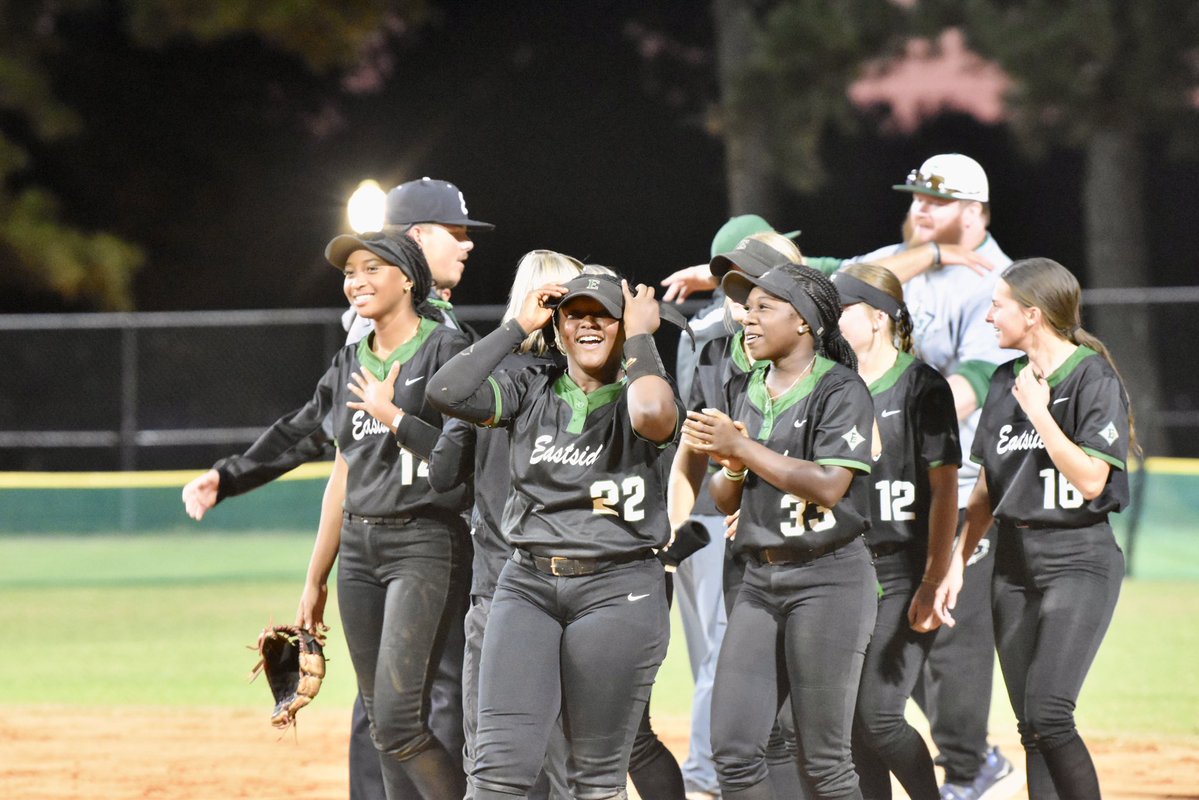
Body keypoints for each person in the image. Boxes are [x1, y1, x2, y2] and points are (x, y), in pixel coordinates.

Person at [184, 175, 492, 800]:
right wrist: (236, 478)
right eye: (455, 233)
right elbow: (323, 443)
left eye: (368, 268)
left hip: (433, 541)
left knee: (416, 708)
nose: (467, 246)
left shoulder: (451, 342)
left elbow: (475, 452)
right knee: (393, 714)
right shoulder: (361, 351)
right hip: (366, 544)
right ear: (416, 243)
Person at [426, 271, 685, 800]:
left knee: (594, 782)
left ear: (625, 323)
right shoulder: (532, 384)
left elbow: (655, 415)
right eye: (575, 314)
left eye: (603, 314)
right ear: (559, 326)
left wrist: (641, 335)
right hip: (526, 586)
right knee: (496, 775)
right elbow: (446, 391)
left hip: (619, 589)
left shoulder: (642, 391)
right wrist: (516, 325)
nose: (588, 323)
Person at [853, 154, 1019, 799]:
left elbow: (978, 380)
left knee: (950, 634)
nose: (922, 207)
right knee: (889, 633)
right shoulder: (896, 258)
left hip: (963, 476)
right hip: (879, 485)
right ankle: (968, 760)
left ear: (976, 213)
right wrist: (928, 256)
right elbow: (839, 287)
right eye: (917, 196)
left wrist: (897, 416)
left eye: (939, 201)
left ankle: (971, 768)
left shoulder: (999, 283)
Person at [684, 262, 877, 800]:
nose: (749, 317)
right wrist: (732, 464)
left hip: (830, 580)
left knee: (824, 761)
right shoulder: (745, 386)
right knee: (735, 751)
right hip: (759, 582)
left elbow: (829, 485)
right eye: (748, 307)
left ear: (806, 323)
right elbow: (727, 496)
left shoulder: (841, 389)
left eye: (765, 307)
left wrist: (742, 446)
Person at [943, 257, 1130, 799]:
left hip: (1078, 559)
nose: (988, 318)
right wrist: (957, 559)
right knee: (1031, 728)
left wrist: (1042, 413)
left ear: (1032, 315)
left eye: (997, 306)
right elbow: (985, 490)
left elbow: (1094, 479)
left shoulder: (1092, 377)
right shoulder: (1005, 381)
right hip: (1012, 563)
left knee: (1050, 713)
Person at [668, 230, 803, 800]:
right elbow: (688, 450)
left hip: (804, 547)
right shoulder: (714, 349)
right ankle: (705, 779)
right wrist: (671, 535)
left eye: (756, 289)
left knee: (789, 708)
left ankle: (707, 778)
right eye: (737, 286)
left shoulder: (829, 370)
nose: (746, 305)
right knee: (724, 667)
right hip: (715, 529)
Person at [831, 263, 960, 800]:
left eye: (844, 308)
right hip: (843, 570)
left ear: (878, 318)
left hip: (901, 569)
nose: (830, 319)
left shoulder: (921, 384)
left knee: (879, 717)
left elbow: (947, 490)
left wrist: (934, 577)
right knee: (853, 727)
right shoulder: (833, 384)